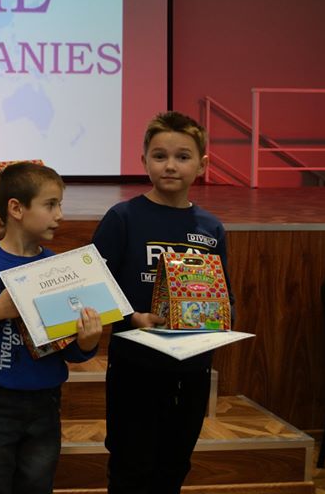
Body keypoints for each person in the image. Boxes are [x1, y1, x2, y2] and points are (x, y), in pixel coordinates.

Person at [92, 111, 233, 494]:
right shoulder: (123, 218)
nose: (170, 165)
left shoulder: (211, 228)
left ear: (202, 165)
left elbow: (225, 295)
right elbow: (95, 289)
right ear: (144, 161)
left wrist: (222, 318)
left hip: (191, 370)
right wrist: (131, 317)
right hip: (135, 367)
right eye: (160, 156)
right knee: (130, 466)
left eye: (182, 156)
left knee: (174, 465)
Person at [0, 162, 103, 494]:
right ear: (16, 209)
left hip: (45, 402)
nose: (60, 215)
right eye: (50, 205)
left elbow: (67, 349)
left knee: (37, 485)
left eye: (60, 204)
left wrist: (87, 343)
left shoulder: (58, 268)